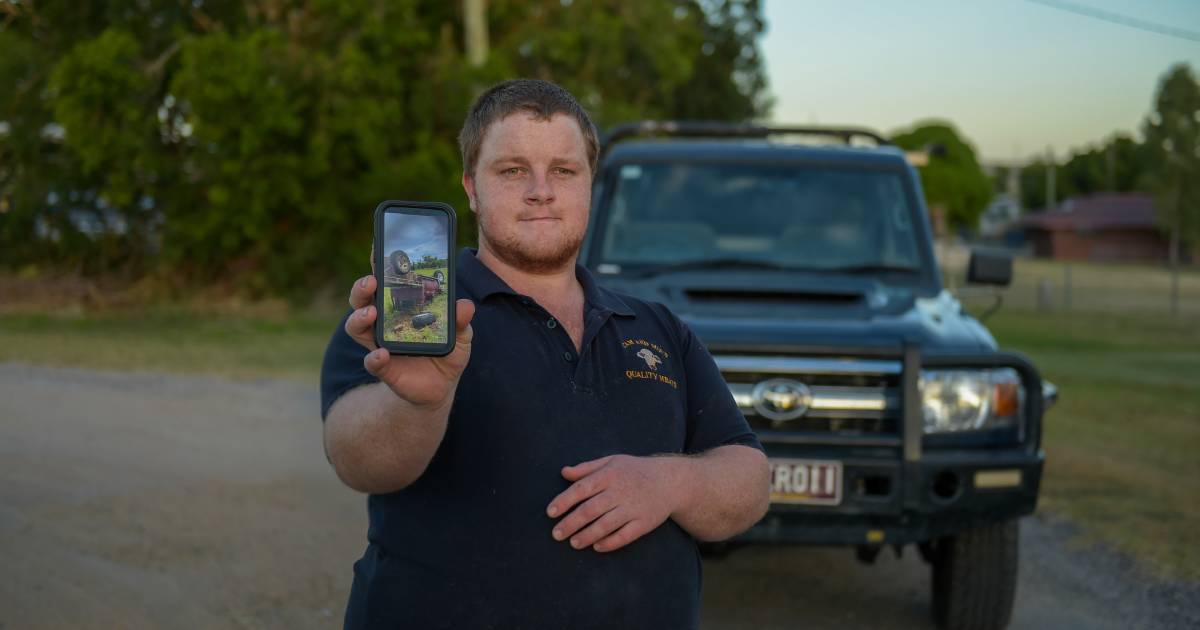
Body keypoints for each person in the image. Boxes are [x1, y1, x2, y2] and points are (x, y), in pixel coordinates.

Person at [320, 79, 769, 630]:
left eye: (564, 170)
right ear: (471, 187)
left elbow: (749, 476)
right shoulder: (413, 316)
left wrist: (671, 483)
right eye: (512, 171)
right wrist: (420, 406)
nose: (541, 191)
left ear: (589, 185)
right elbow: (356, 461)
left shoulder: (658, 326)